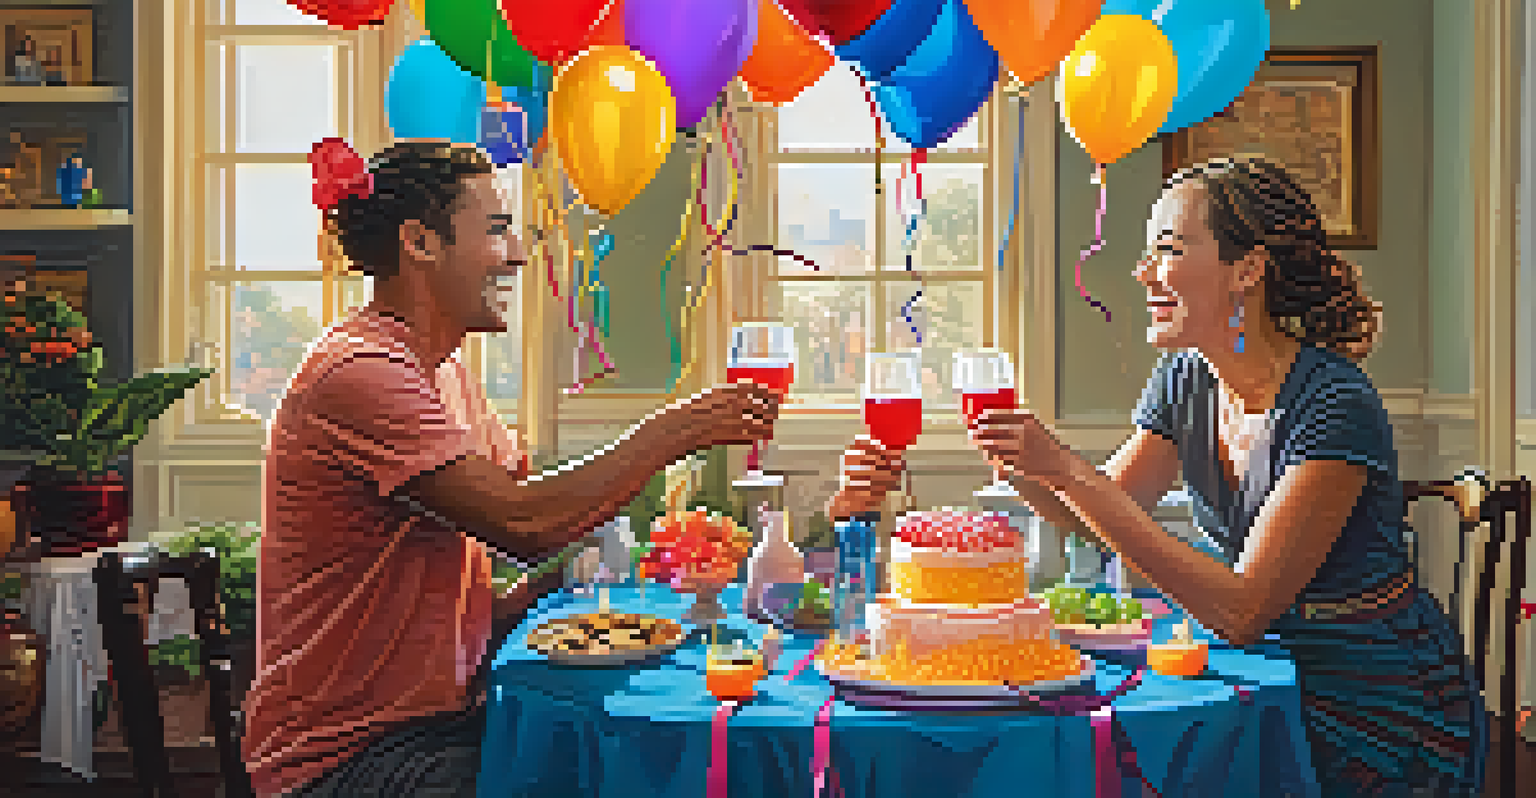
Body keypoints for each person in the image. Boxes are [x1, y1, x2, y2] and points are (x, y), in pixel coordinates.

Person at [243, 139, 785, 797]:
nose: (519, 255)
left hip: (439, 722)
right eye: (496, 230)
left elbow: (530, 507)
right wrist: (672, 433)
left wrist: (555, 574)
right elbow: (525, 521)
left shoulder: (441, 375)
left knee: (633, 759)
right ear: (420, 242)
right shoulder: (360, 372)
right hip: (351, 758)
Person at [968, 157, 1485, 797]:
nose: (1142, 272)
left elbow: (1242, 609)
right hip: (1267, 670)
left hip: (1374, 698)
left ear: (1247, 270)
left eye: (1168, 248)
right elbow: (1098, 518)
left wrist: (1069, 470)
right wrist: (1020, 464)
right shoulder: (1185, 381)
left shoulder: (1334, 402)